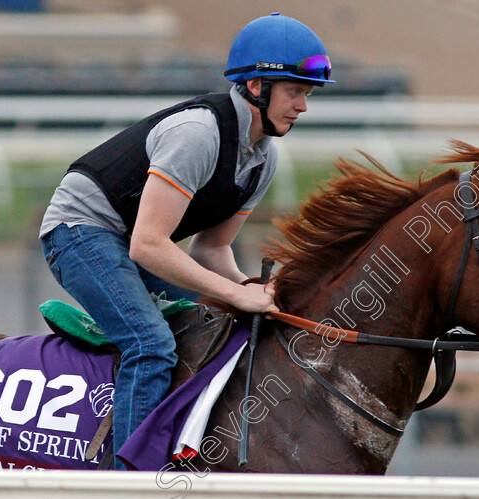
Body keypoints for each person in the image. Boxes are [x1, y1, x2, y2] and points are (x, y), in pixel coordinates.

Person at [38, 13, 334, 469]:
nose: (303, 106)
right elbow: (148, 246)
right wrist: (236, 292)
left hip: (129, 240)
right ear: (256, 87)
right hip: (79, 231)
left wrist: (249, 289)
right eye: (295, 91)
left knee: (220, 323)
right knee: (151, 344)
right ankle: (128, 484)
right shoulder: (197, 134)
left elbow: (210, 250)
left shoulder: (262, 159)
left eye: (307, 94)